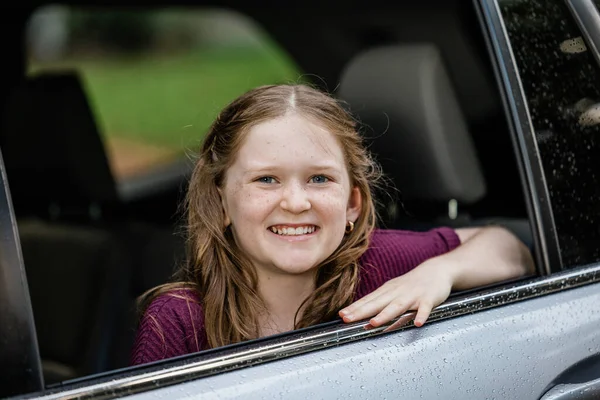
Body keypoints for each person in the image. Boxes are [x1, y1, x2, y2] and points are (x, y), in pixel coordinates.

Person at [130, 84, 534, 365]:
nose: (295, 202)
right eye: (266, 179)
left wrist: (441, 272)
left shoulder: (379, 263)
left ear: (352, 204)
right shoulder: (177, 321)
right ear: (220, 203)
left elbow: (509, 246)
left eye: (319, 179)